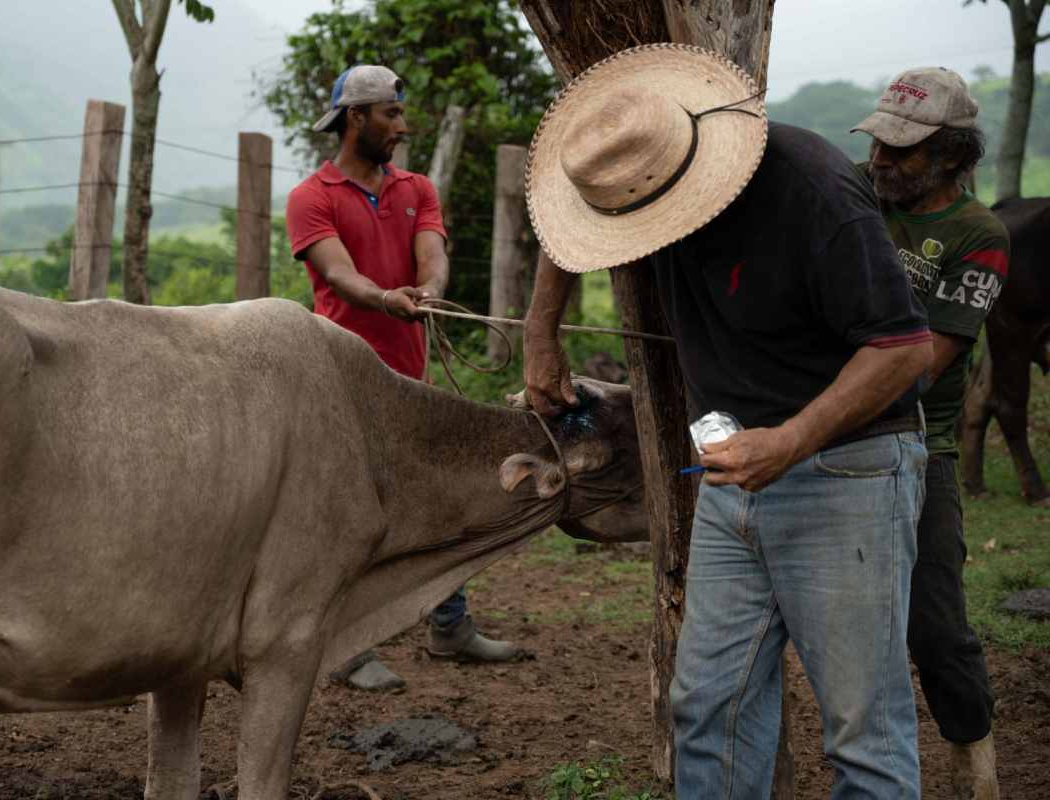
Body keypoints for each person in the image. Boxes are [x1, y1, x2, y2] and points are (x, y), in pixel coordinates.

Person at [520, 45, 932, 798]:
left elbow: (905, 351)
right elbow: (564, 227)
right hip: (734, 471)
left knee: (861, 733)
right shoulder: (634, 172)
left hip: (847, 467)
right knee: (707, 705)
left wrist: (792, 441)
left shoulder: (813, 193)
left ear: (694, 169)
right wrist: (539, 334)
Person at [285, 64, 522, 692]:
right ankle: (345, 649)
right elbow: (337, 276)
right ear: (356, 118)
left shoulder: (417, 188)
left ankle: (449, 625)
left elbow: (432, 255)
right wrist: (386, 299)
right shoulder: (313, 196)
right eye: (391, 114)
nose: (401, 125)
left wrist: (430, 291)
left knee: (438, 493)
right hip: (341, 379)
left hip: (410, 374)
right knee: (351, 510)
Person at [852, 67, 1007, 800]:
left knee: (936, 629)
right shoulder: (853, 190)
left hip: (919, 442)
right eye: (878, 143)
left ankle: (975, 765)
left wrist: (811, 398)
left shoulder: (977, 235)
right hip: (817, 427)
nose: (881, 161)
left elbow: (923, 367)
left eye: (902, 151)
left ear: (951, 157)